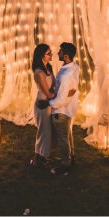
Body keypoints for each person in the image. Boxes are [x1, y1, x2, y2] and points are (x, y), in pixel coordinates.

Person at [38, 42, 79, 175]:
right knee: (68, 136)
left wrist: (48, 103)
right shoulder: (74, 67)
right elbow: (68, 91)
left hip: (61, 112)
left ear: (66, 56)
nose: (57, 53)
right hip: (70, 107)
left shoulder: (66, 75)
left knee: (62, 139)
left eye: (60, 52)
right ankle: (71, 158)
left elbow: (60, 100)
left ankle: (64, 165)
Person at [30, 44, 56, 168]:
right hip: (42, 104)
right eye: (48, 53)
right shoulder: (39, 73)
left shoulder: (48, 68)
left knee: (48, 131)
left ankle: (42, 156)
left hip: (49, 104)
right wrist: (59, 95)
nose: (51, 55)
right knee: (43, 131)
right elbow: (48, 93)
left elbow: (54, 84)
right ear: (42, 56)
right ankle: (40, 157)